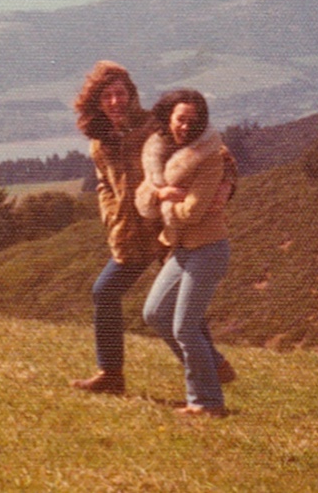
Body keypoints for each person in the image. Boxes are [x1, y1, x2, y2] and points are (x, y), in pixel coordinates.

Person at [136, 89, 237, 417]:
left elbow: (194, 210)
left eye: (194, 121)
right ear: (169, 117)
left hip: (208, 249)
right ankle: (214, 366)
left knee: (184, 327)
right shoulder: (158, 152)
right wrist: (165, 193)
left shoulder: (210, 156)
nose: (186, 127)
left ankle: (206, 403)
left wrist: (161, 201)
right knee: (155, 313)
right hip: (181, 248)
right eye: (181, 119)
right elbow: (143, 200)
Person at [70, 60, 165, 395]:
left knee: (175, 302)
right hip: (130, 234)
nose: (115, 102)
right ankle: (111, 375)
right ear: (96, 102)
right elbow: (104, 185)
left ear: (132, 94)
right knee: (105, 291)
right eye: (106, 96)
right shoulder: (100, 141)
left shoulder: (156, 127)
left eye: (120, 93)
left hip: (169, 229)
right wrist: (112, 217)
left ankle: (211, 368)